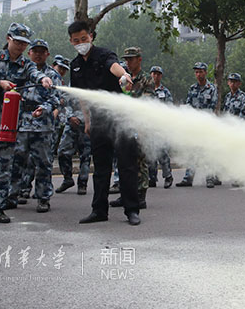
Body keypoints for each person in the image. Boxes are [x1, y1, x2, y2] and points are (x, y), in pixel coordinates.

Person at [0, 22, 53, 224]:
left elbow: (35, 73)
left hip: (10, 123)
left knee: (4, 166)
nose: (21, 46)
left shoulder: (25, 64)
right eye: (18, 42)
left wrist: (43, 79)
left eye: (24, 43)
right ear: (8, 39)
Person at [68, 21, 141, 226]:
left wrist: (124, 75)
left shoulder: (104, 54)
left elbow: (114, 67)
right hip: (99, 120)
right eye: (76, 40)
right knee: (101, 167)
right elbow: (82, 96)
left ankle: (132, 210)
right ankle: (99, 210)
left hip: (120, 117)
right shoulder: (75, 65)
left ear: (91, 36)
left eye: (84, 38)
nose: (81, 43)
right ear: (71, 41)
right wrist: (87, 121)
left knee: (127, 165)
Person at [8, 38, 62, 212]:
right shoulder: (22, 71)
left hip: (43, 125)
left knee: (43, 163)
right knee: (17, 161)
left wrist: (44, 108)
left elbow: (56, 99)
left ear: (47, 54)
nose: (38, 55)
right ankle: (12, 194)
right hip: (22, 123)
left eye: (42, 52)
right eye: (35, 51)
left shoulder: (53, 75)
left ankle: (43, 197)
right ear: (29, 53)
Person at [110, 47, 154, 208]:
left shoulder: (146, 79)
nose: (128, 62)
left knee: (140, 161)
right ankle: (126, 194)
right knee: (124, 161)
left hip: (140, 125)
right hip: (124, 125)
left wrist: (129, 93)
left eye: (131, 59)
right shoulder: (124, 78)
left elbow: (147, 102)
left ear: (139, 59)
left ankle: (140, 196)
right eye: (126, 59)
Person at [176, 62, 218, 187]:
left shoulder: (212, 88)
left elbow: (212, 107)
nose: (198, 74)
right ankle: (188, 178)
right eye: (196, 72)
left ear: (205, 73)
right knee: (192, 152)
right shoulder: (192, 88)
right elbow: (188, 105)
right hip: (194, 126)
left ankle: (210, 178)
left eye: (200, 72)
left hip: (206, 126)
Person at [147, 65, 174, 189]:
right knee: (150, 152)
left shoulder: (165, 92)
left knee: (162, 153)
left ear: (161, 76)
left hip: (160, 127)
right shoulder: (147, 90)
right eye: (153, 74)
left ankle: (168, 176)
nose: (155, 76)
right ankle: (151, 178)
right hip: (149, 127)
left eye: (158, 74)